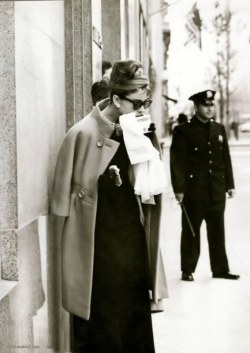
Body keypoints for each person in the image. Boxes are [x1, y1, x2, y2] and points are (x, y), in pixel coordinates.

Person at [50, 59, 168, 353]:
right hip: (96, 253)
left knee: (133, 324)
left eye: (147, 103)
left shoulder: (141, 128)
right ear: (116, 99)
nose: (144, 110)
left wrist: (147, 139)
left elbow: (153, 188)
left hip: (132, 243)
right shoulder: (81, 134)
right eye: (137, 103)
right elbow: (60, 208)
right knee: (102, 328)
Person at [170, 89, 240, 282]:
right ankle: (188, 269)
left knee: (218, 231)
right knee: (191, 231)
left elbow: (225, 159)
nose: (210, 109)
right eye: (205, 105)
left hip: (216, 190)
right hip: (194, 191)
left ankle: (220, 269)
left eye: (211, 105)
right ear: (196, 107)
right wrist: (179, 189)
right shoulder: (183, 130)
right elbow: (177, 162)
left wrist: (230, 184)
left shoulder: (219, 129)